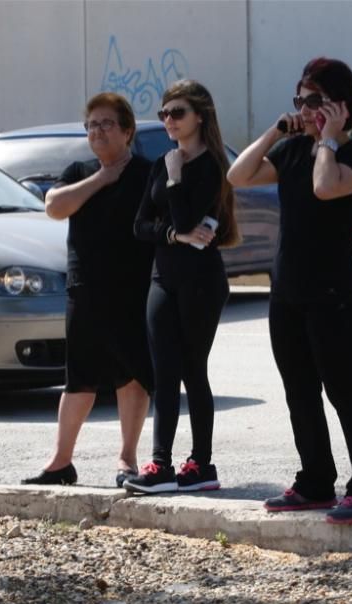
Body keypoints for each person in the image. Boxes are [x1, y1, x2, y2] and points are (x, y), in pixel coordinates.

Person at [226, 57, 352, 524]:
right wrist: (277, 131)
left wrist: (330, 139)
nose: (303, 108)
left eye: (313, 100)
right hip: (287, 292)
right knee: (299, 390)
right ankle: (315, 480)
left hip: (331, 293)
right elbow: (238, 176)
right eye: (299, 100)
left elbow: (324, 188)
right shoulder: (294, 149)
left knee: (343, 390)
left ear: (340, 105)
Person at [21, 92, 154, 488]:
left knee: (132, 377)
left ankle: (127, 459)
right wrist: (102, 177)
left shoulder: (148, 173)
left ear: (127, 131)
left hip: (133, 291)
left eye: (106, 123)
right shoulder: (79, 171)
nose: (97, 131)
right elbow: (54, 206)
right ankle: (61, 462)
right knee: (78, 378)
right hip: (85, 290)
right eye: (92, 125)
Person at [123, 80, 240, 494]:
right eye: (164, 114)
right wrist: (174, 236)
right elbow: (140, 226)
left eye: (177, 113)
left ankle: (201, 464)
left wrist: (174, 183)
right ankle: (160, 466)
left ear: (200, 116)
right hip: (164, 278)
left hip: (201, 283)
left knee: (193, 371)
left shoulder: (210, 165)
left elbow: (188, 218)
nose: (168, 121)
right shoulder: (162, 161)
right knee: (163, 372)